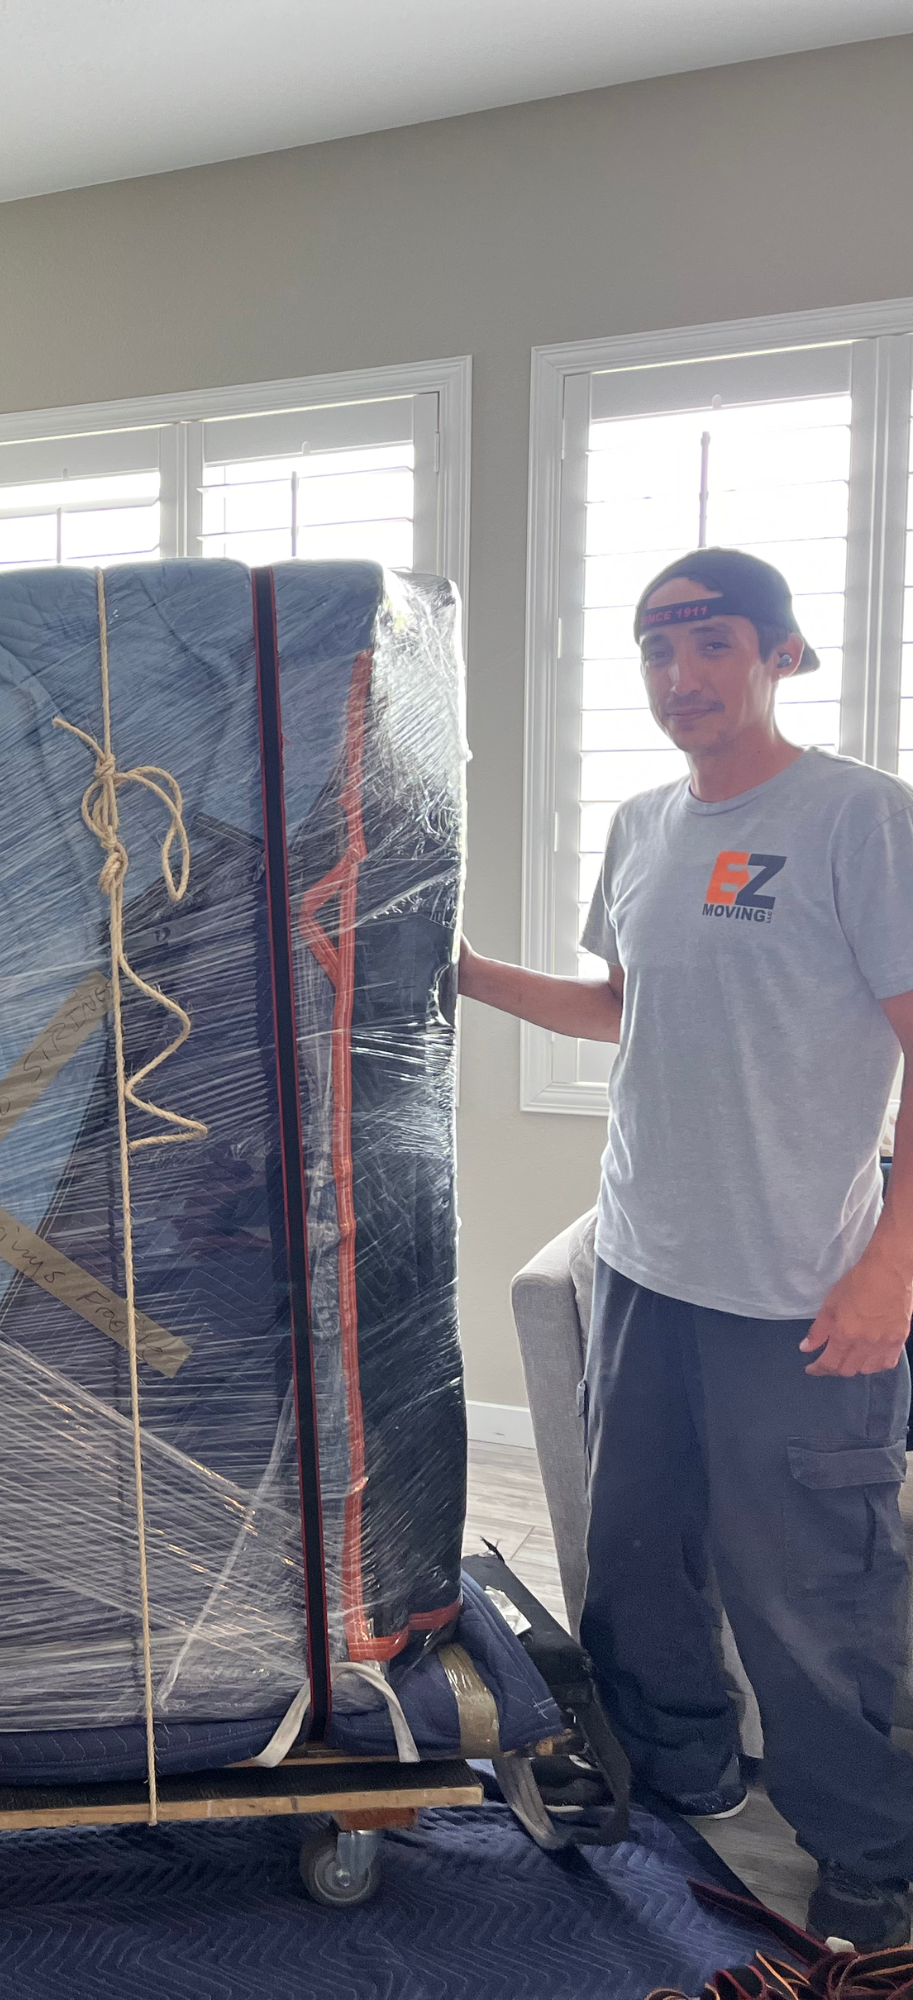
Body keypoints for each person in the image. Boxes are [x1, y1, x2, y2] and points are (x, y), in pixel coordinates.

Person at [459, 547, 913, 1949]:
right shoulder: (645, 824)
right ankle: (678, 1778)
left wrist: (894, 1263)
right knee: (640, 1560)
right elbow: (621, 1010)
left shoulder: (862, 819)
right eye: (658, 649)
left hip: (798, 1288)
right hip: (649, 1268)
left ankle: (874, 1864)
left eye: (712, 644)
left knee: (814, 1598)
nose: (680, 676)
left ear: (782, 656)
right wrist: (464, 969)